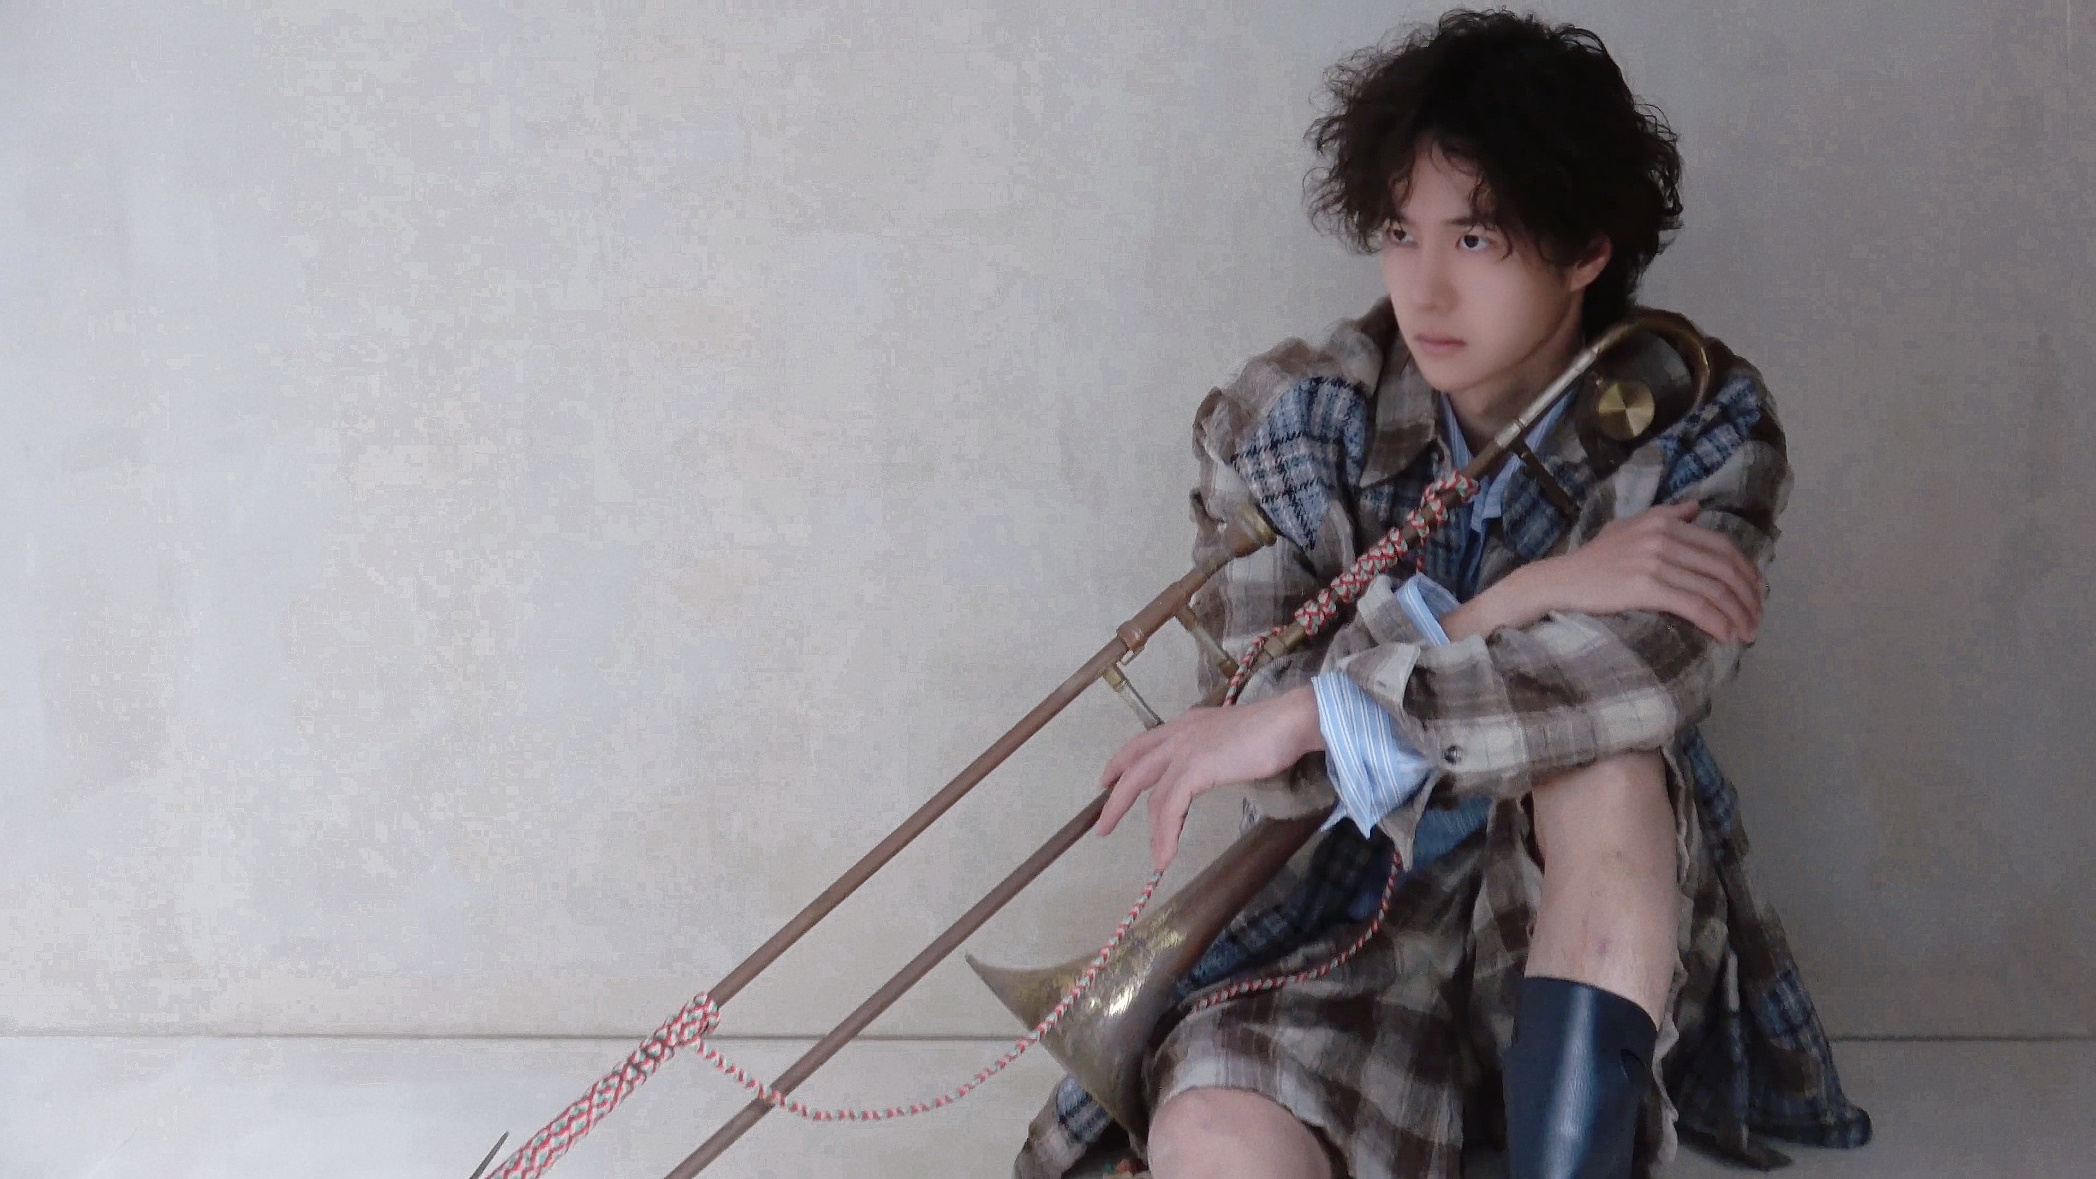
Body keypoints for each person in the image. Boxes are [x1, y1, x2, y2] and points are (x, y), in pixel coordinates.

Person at [1011, 10, 1872, 1179]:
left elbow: (1635, 682)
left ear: (1583, 249)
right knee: (1211, 1140)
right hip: (1336, 913)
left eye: (1474, 239)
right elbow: (1266, 754)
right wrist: (1514, 598)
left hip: (1574, 914)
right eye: (1396, 232)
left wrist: (1315, 707)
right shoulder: (1284, 419)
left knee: (1604, 766)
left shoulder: (1694, 417)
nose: (1423, 288)